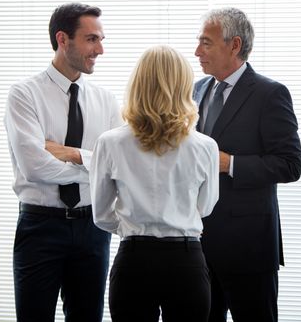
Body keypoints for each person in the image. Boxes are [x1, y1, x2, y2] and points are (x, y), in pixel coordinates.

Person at [4, 2, 123, 321]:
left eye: (101, 39)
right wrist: (95, 166)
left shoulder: (106, 101)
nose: (100, 49)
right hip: (41, 227)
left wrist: (72, 154)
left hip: (93, 227)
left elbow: (120, 167)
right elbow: (35, 168)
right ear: (63, 39)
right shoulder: (24, 95)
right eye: (92, 39)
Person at [90, 45, 219, 322]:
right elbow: (205, 207)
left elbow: (101, 215)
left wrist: (133, 226)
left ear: (138, 84)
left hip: (134, 261)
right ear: (183, 85)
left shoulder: (109, 143)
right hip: (186, 262)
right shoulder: (205, 146)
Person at [193, 7, 301, 322]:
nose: (197, 52)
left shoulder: (271, 94)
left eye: (206, 43)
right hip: (198, 244)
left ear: (235, 45)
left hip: (249, 247)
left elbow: (290, 165)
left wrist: (230, 164)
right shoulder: (197, 90)